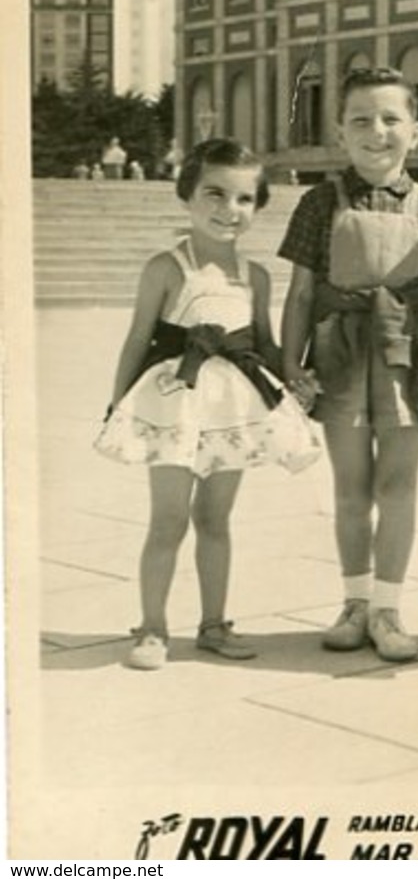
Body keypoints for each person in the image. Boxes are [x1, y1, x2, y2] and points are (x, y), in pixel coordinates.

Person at [94, 138, 322, 670]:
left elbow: (262, 342)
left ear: (258, 206)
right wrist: (117, 406)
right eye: (214, 195)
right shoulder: (167, 267)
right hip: (175, 405)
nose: (229, 210)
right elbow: (137, 339)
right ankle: (152, 628)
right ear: (187, 196)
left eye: (244, 199)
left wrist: (295, 376)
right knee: (168, 520)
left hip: (231, 412)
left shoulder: (255, 275)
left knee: (216, 518)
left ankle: (214, 624)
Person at [279, 66, 418, 662]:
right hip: (338, 354)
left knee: (399, 484)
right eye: (360, 119)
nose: (376, 130)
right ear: (341, 132)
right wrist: (289, 366)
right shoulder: (317, 202)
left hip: (407, 356)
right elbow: (301, 293)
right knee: (350, 487)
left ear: (417, 131)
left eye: (391, 119)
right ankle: (354, 602)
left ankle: (388, 609)